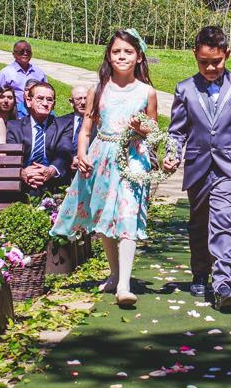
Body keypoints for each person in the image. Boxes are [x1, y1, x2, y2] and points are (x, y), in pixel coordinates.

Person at [52, 30, 159, 307]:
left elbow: (154, 132)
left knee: (126, 215)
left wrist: (142, 129)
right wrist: (81, 153)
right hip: (101, 156)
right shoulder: (98, 90)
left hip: (133, 158)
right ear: (109, 57)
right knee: (104, 217)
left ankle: (124, 284)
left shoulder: (147, 91)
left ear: (139, 57)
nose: (122, 56)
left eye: (128, 52)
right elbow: (86, 128)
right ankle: (113, 274)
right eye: (116, 52)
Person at [165, 26, 231, 309]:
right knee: (199, 223)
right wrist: (172, 154)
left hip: (230, 167)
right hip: (197, 166)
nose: (210, 67)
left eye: (216, 62)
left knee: (224, 220)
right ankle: (199, 271)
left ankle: (223, 284)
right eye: (203, 62)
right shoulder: (185, 88)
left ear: (227, 54)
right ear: (195, 54)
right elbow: (177, 131)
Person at [6, 80, 72, 196]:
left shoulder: (63, 126)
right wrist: (22, 172)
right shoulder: (14, 127)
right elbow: (11, 157)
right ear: (29, 101)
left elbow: (65, 153)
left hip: (53, 182)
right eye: (40, 98)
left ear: (54, 104)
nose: (45, 103)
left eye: (49, 99)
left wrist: (50, 170)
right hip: (23, 183)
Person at [57, 84, 92, 169]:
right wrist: (70, 160)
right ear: (71, 102)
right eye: (79, 99)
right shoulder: (60, 122)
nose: (83, 102)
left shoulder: (98, 122)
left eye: (86, 98)